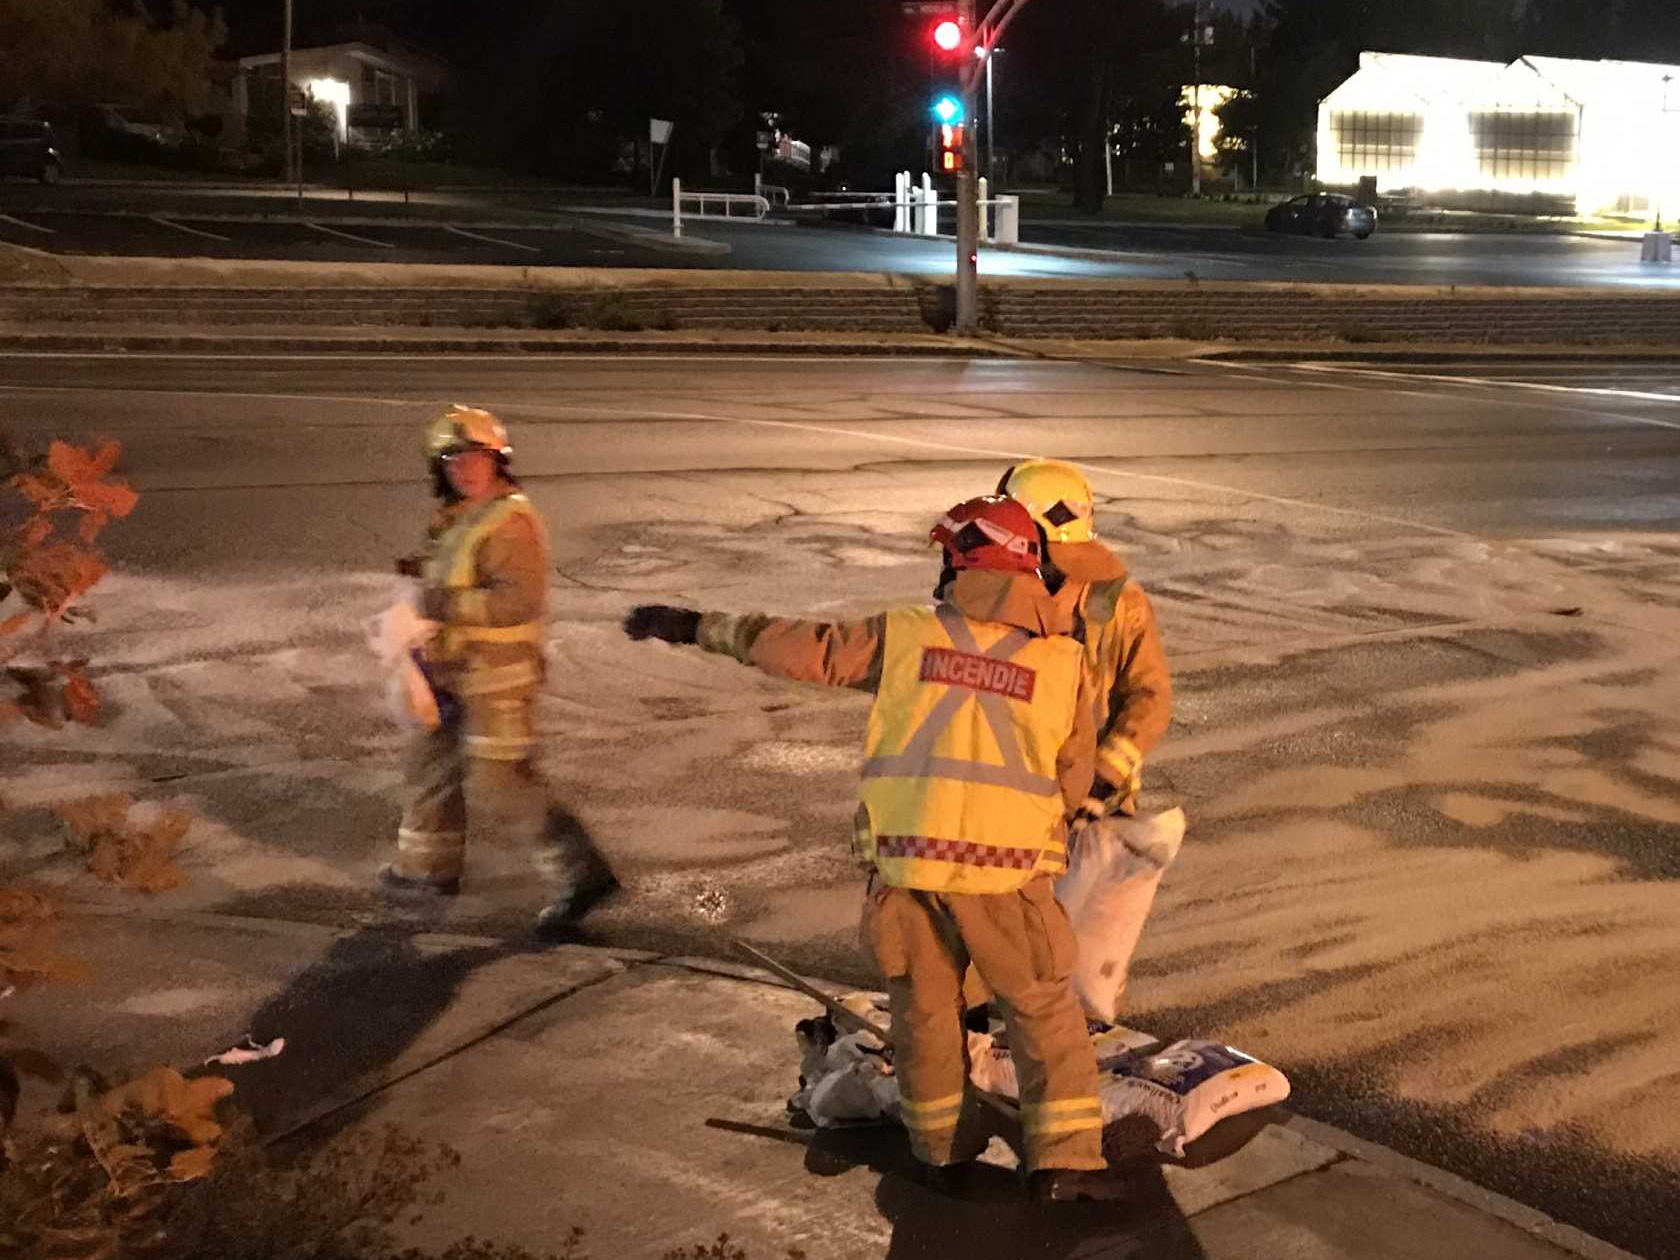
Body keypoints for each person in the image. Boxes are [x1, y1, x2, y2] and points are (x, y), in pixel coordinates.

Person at [621, 495, 1123, 1200]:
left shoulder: (907, 636)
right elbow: (1073, 776)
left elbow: (806, 650)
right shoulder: (1067, 664)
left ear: (960, 561)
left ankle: (940, 1154)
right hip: (1007, 877)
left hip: (908, 866)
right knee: (1042, 1012)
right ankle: (1065, 1165)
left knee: (924, 1014)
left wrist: (696, 626)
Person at [378, 405, 619, 936]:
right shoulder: (459, 517)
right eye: (451, 461)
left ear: (497, 461)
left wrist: (440, 602)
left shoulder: (510, 521)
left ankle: (582, 877)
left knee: (502, 781)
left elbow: (518, 602)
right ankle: (427, 871)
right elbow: (461, 572)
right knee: (428, 766)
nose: (462, 468)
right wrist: (422, 575)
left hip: (497, 679)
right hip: (448, 670)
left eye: (473, 458)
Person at [995, 458, 1171, 820]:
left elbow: (1151, 696)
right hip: (1023, 795)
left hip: (1089, 805)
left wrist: (1104, 776)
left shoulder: (1124, 604)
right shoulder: (995, 591)